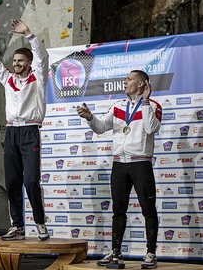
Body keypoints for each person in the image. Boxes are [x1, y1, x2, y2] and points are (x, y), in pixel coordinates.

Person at [77, 70, 162, 269]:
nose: (125, 82)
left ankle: (151, 253)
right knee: (118, 211)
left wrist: (147, 101)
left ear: (141, 84)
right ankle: (116, 252)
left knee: (148, 210)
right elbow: (99, 127)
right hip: (119, 163)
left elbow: (151, 129)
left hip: (141, 162)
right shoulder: (117, 107)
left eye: (129, 79)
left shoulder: (154, 106)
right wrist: (89, 117)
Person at [0, 18, 50, 241]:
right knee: (12, 182)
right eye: (14, 60)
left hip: (30, 133)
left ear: (29, 63)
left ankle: (40, 223)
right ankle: (17, 226)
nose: (16, 63)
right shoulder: (8, 78)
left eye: (21, 60)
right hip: (11, 133)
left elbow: (42, 57)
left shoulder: (38, 78)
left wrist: (29, 34)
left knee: (31, 180)